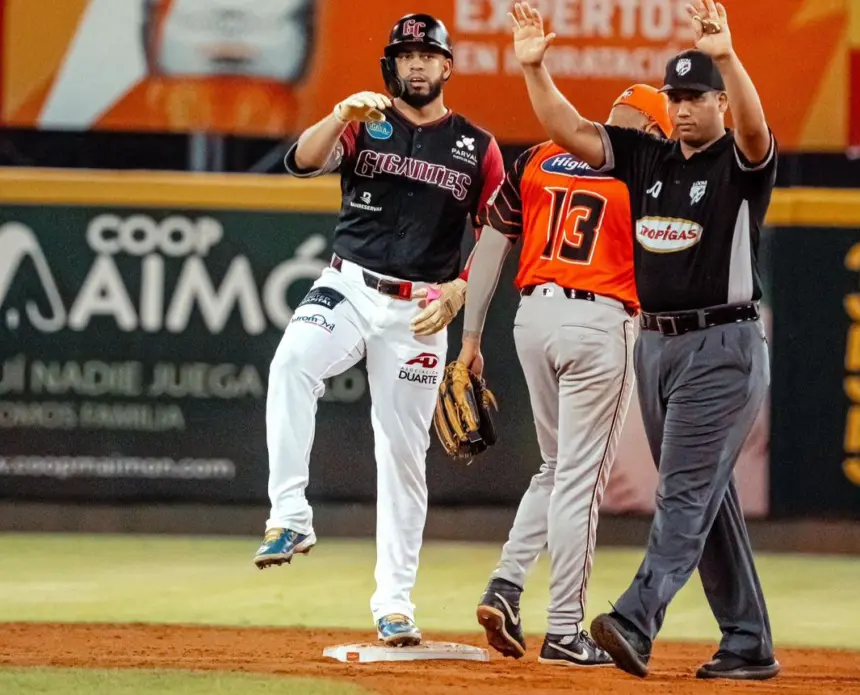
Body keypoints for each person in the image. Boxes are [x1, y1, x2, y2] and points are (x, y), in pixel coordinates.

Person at [508, 0, 779, 680]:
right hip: (656, 346)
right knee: (707, 498)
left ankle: (635, 617)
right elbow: (570, 130)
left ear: (719, 103)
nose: (684, 109)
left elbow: (754, 129)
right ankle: (748, 640)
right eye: (675, 98)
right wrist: (534, 71)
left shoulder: (740, 164)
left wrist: (727, 56)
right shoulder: (647, 157)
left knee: (682, 495)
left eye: (697, 98)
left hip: (722, 345)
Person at [253, 13, 504, 648]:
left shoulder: (477, 145)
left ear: (447, 66)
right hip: (349, 284)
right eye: (406, 54)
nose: (416, 64)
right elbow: (302, 161)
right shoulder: (365, 122)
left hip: (422, 309)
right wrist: (338, 114)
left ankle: (394, 605)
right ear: (392, 65)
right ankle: (290, 514)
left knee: (401, 454)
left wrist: (461, 287)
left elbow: (499, 229)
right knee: (292, 363)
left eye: (428, 54)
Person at [458, 85, 672, 666]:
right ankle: (564, 631)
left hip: (533, 317)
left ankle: (506, 585)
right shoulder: (645, 170)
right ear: (652, 131)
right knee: (580, 481)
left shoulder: (539, 156)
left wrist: (471, 337)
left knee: (557, 469)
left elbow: (493, 239)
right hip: (597, 321)